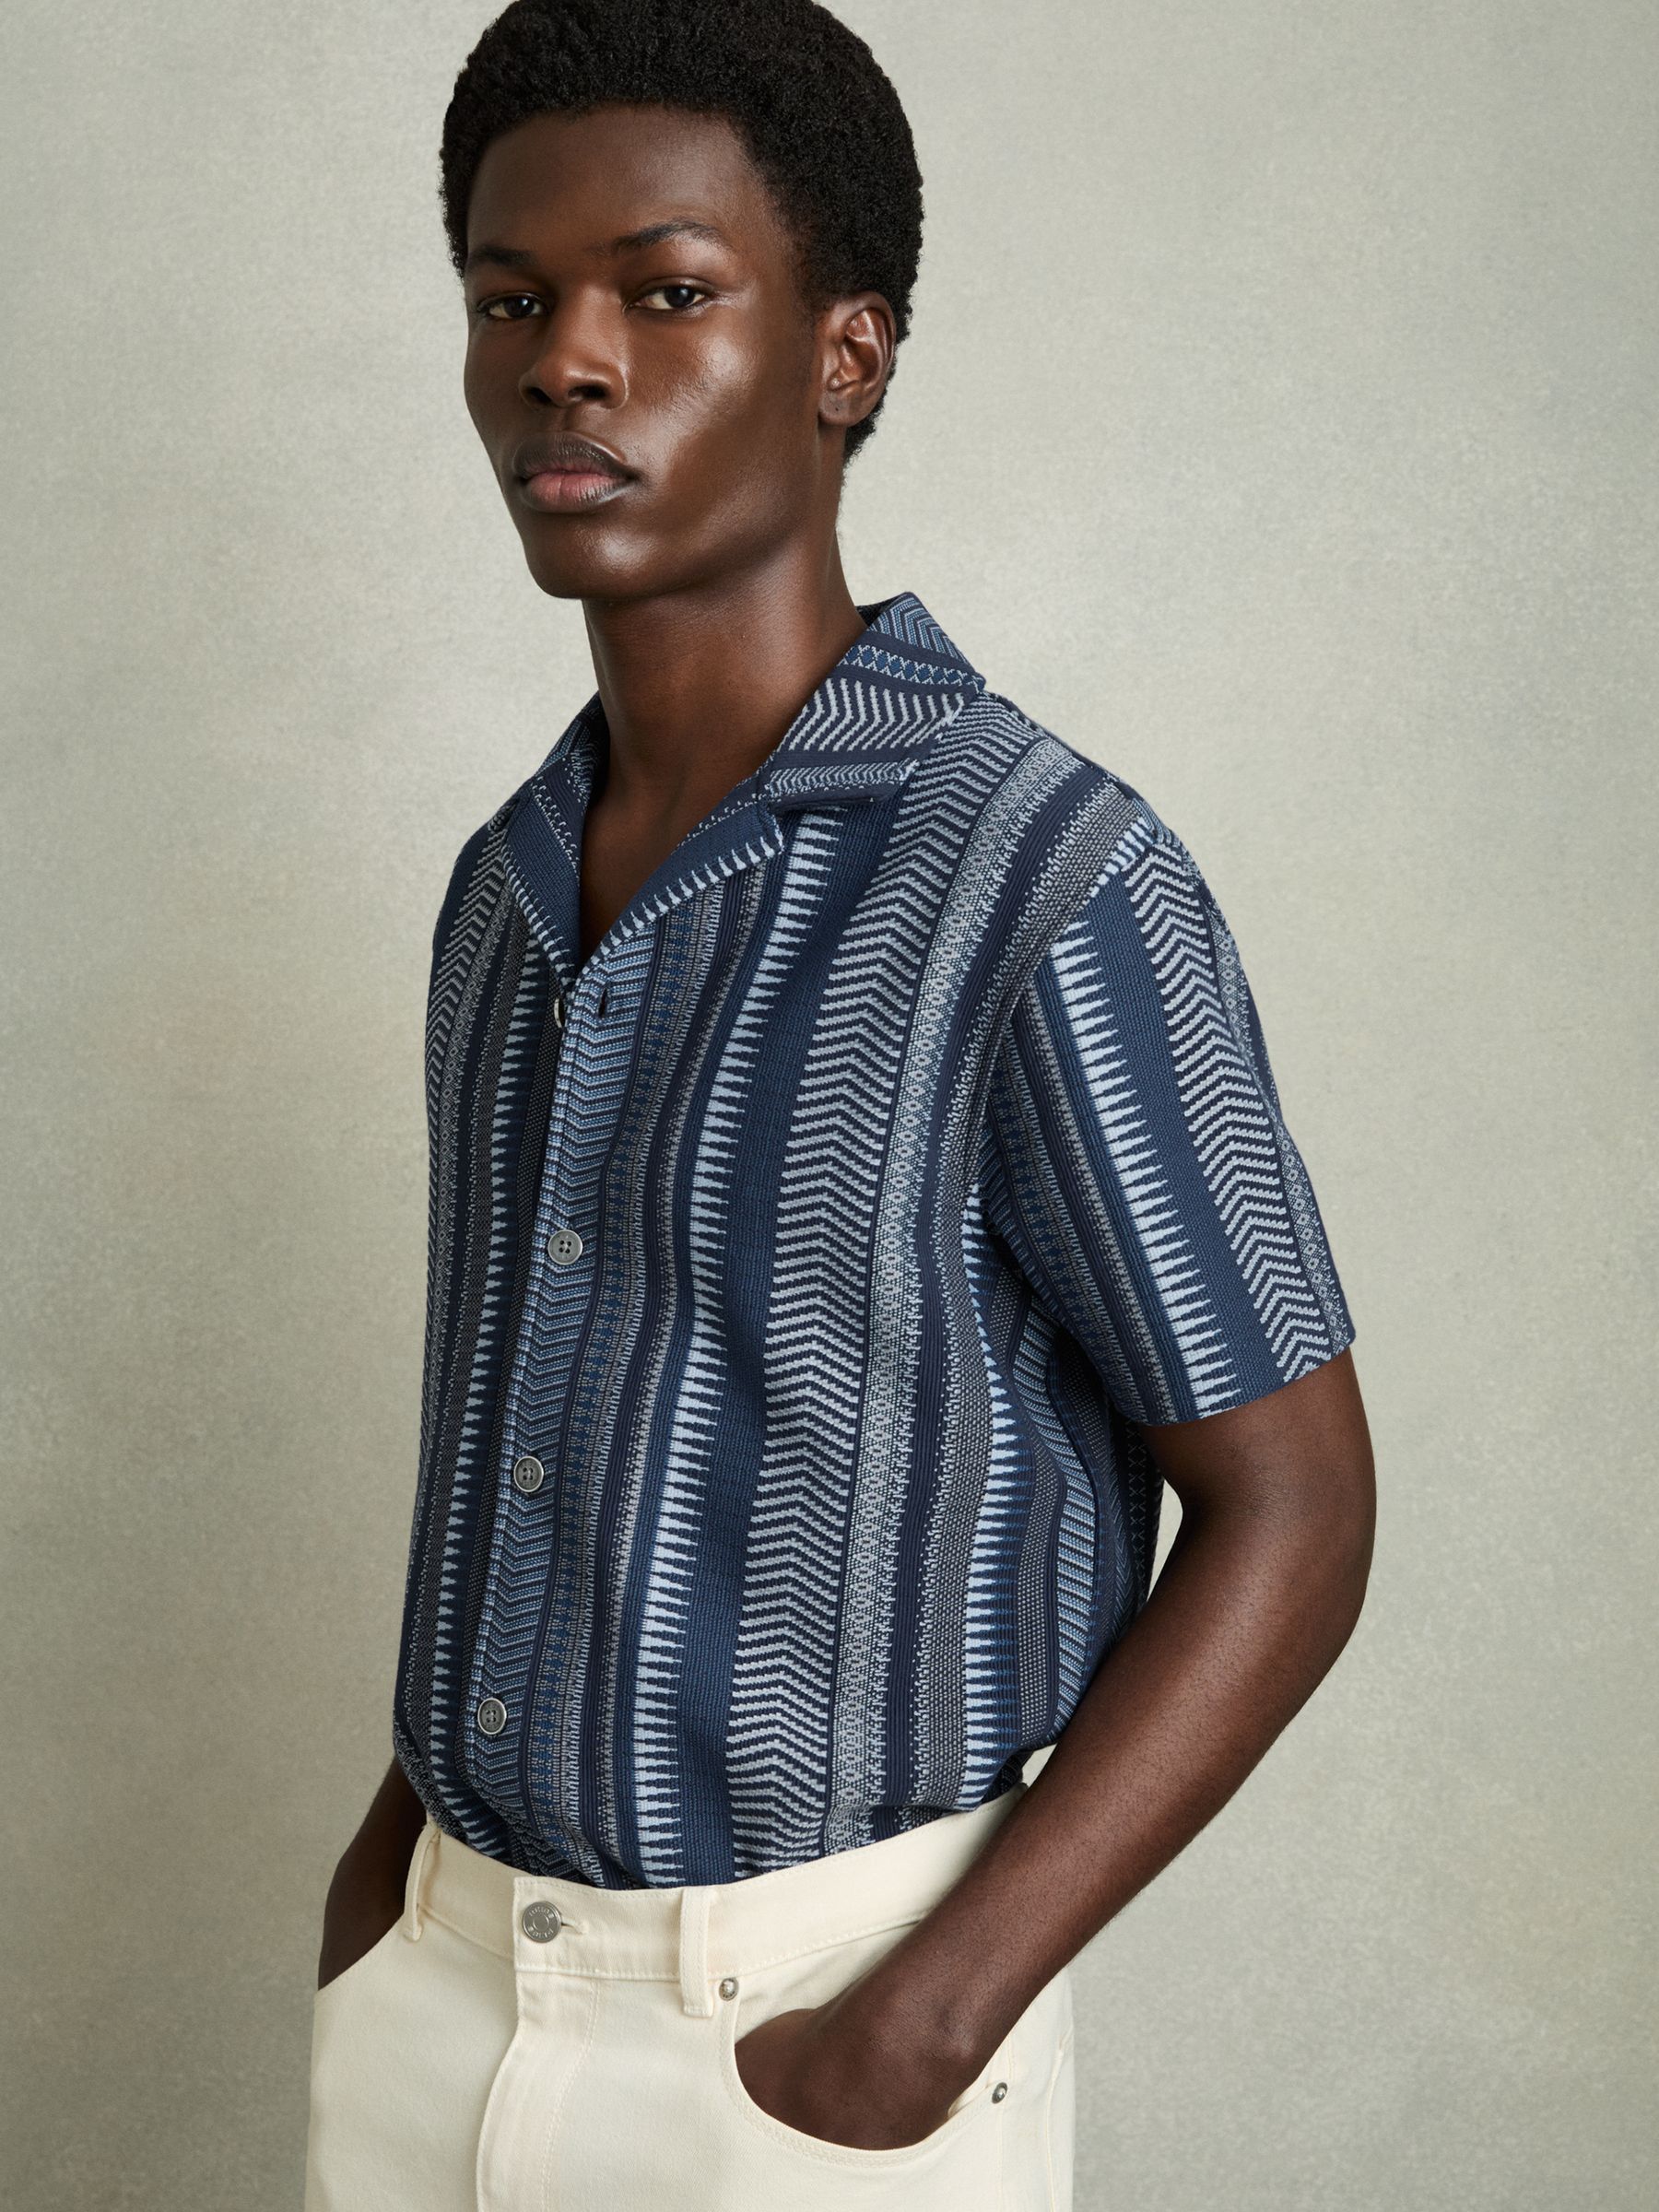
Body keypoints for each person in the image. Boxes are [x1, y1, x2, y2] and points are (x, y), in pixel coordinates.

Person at [303, 2, 1375, 2205]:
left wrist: (924, 2022)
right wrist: (384, 1890)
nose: (566, 364)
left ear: (845, 355)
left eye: (664, 293)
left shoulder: (1043, 876)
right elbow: (525, 1436)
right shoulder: (503, 890)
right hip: (436, 1999)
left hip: (807, 2045)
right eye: (510, 302)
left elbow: (1296, 1511)